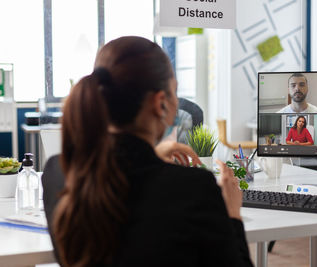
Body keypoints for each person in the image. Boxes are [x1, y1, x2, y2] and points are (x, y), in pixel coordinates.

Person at [41, 36, 253, 267]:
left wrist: (151, 157)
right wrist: (232, 213)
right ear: (160, 102)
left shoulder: (57, 172)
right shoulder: (193, 188)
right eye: (174, 92)